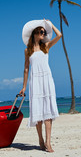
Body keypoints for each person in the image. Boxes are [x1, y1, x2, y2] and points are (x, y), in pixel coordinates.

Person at [19, 19, 62, 153]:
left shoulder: (46, 46)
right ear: (35, 34)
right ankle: (40, 140)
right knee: (38, 114)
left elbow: (59, 35)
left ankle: (48, 142)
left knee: (48, 113)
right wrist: (24, 87)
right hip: (35, 81)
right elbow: (26, 69)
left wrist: (51, 24)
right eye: (41, 32)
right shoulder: (28, 50)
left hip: (47, 80)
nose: (43, 34)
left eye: (44, 32)